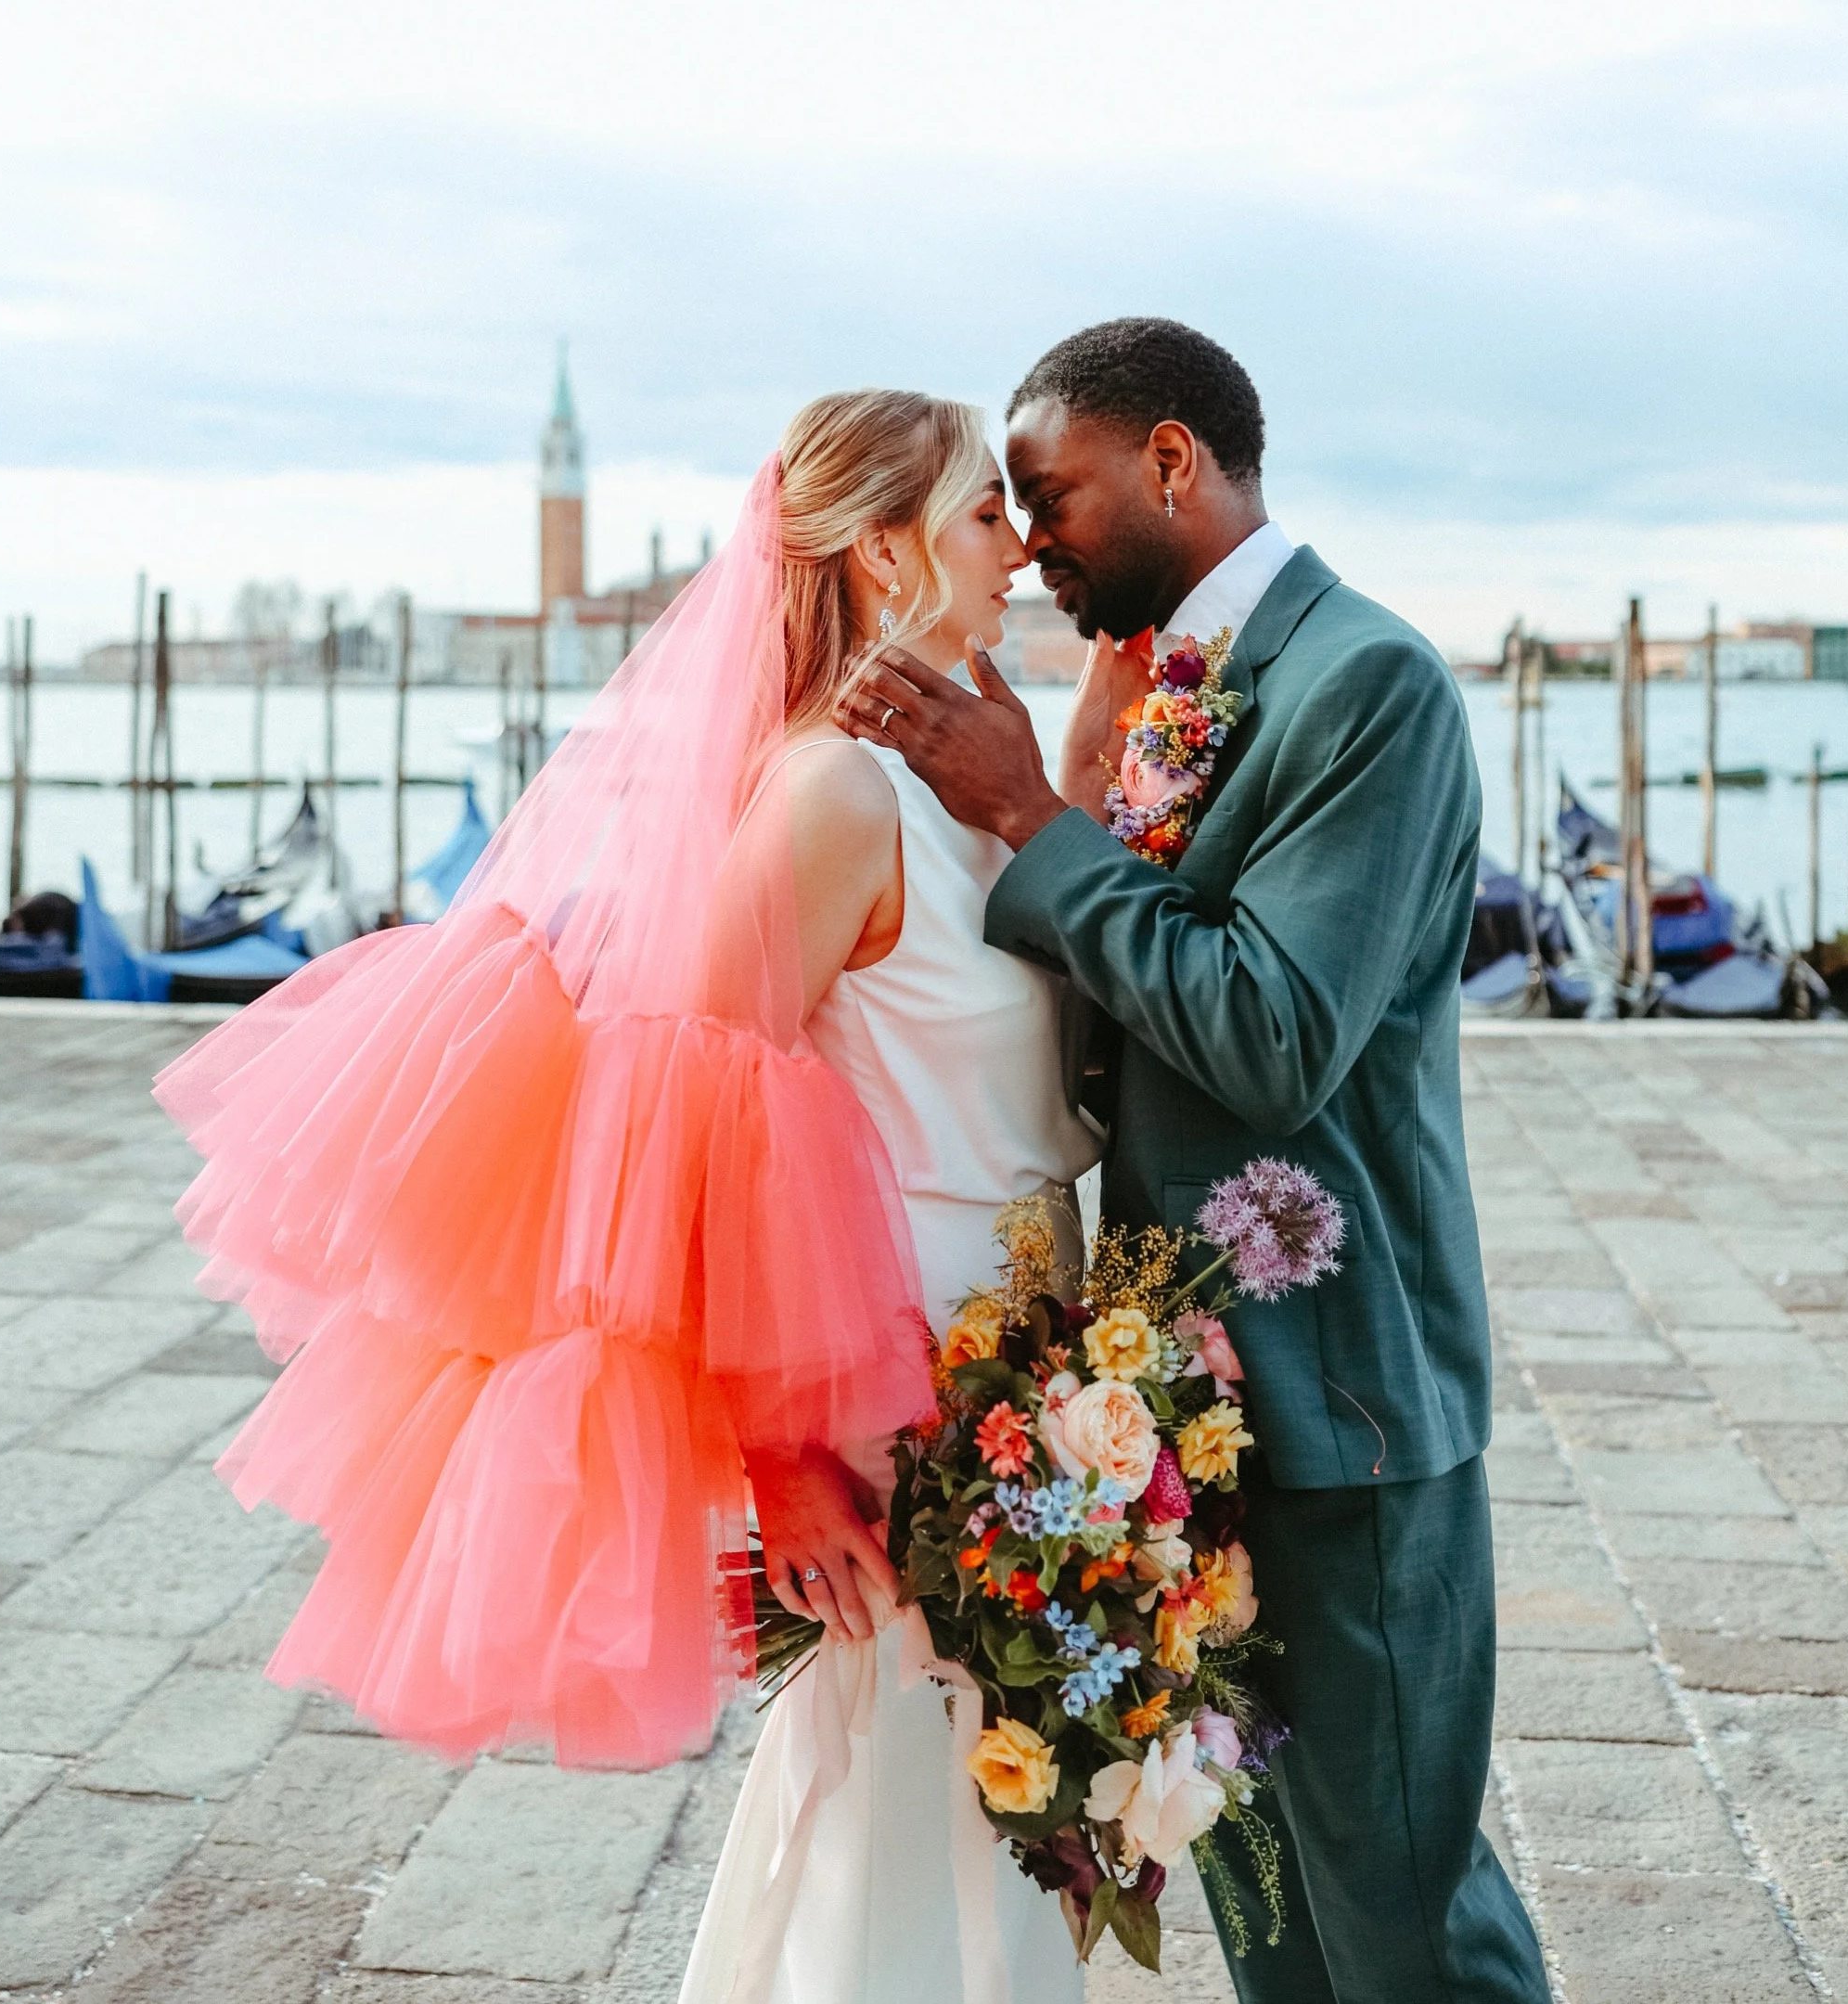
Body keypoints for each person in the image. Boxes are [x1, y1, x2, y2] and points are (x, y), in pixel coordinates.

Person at [158, 389, 1097, 2002]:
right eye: (984, 517)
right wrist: (785, 1455)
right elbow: (685, 1125)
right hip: (903, 1365)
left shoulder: (964, 770)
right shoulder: (835, 795)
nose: (1019, 548)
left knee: (987, 1813)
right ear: (884, 555)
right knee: (919, 1807)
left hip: (1027, 1352)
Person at [841, 317, 1552, 2004]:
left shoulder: (1363, 682)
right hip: (1193, 1417)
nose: (1031, 543)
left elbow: (1274, 1030)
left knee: (1406, 1919)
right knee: (1272, 1923)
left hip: (1342, 1408)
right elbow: (1119, 1034)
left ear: (1171, 460)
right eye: (1010, 509)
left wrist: (1032, 820)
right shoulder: (1174, 688)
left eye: (1051, 495)